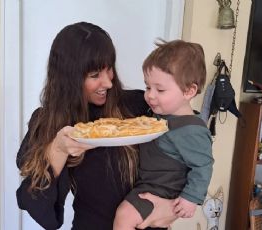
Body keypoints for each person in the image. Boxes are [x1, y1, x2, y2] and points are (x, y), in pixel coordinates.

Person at [16, 22, 177, 230]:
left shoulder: (139, 105)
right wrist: (58, 149)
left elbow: (191, 144)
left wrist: (174, 206)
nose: (109, 83)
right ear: (68, 78)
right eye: (94, 75)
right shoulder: (47, 123)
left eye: (109, 69)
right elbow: (38, 208)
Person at [113, 40, 214, 230]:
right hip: (148, 185)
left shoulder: (191, 129)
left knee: (124, 216)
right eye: (147, 87)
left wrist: (190, 199)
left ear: (189, 91)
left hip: (162, 191)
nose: (150, 95)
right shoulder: (159, 115)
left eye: (160, 90)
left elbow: (203, 166)